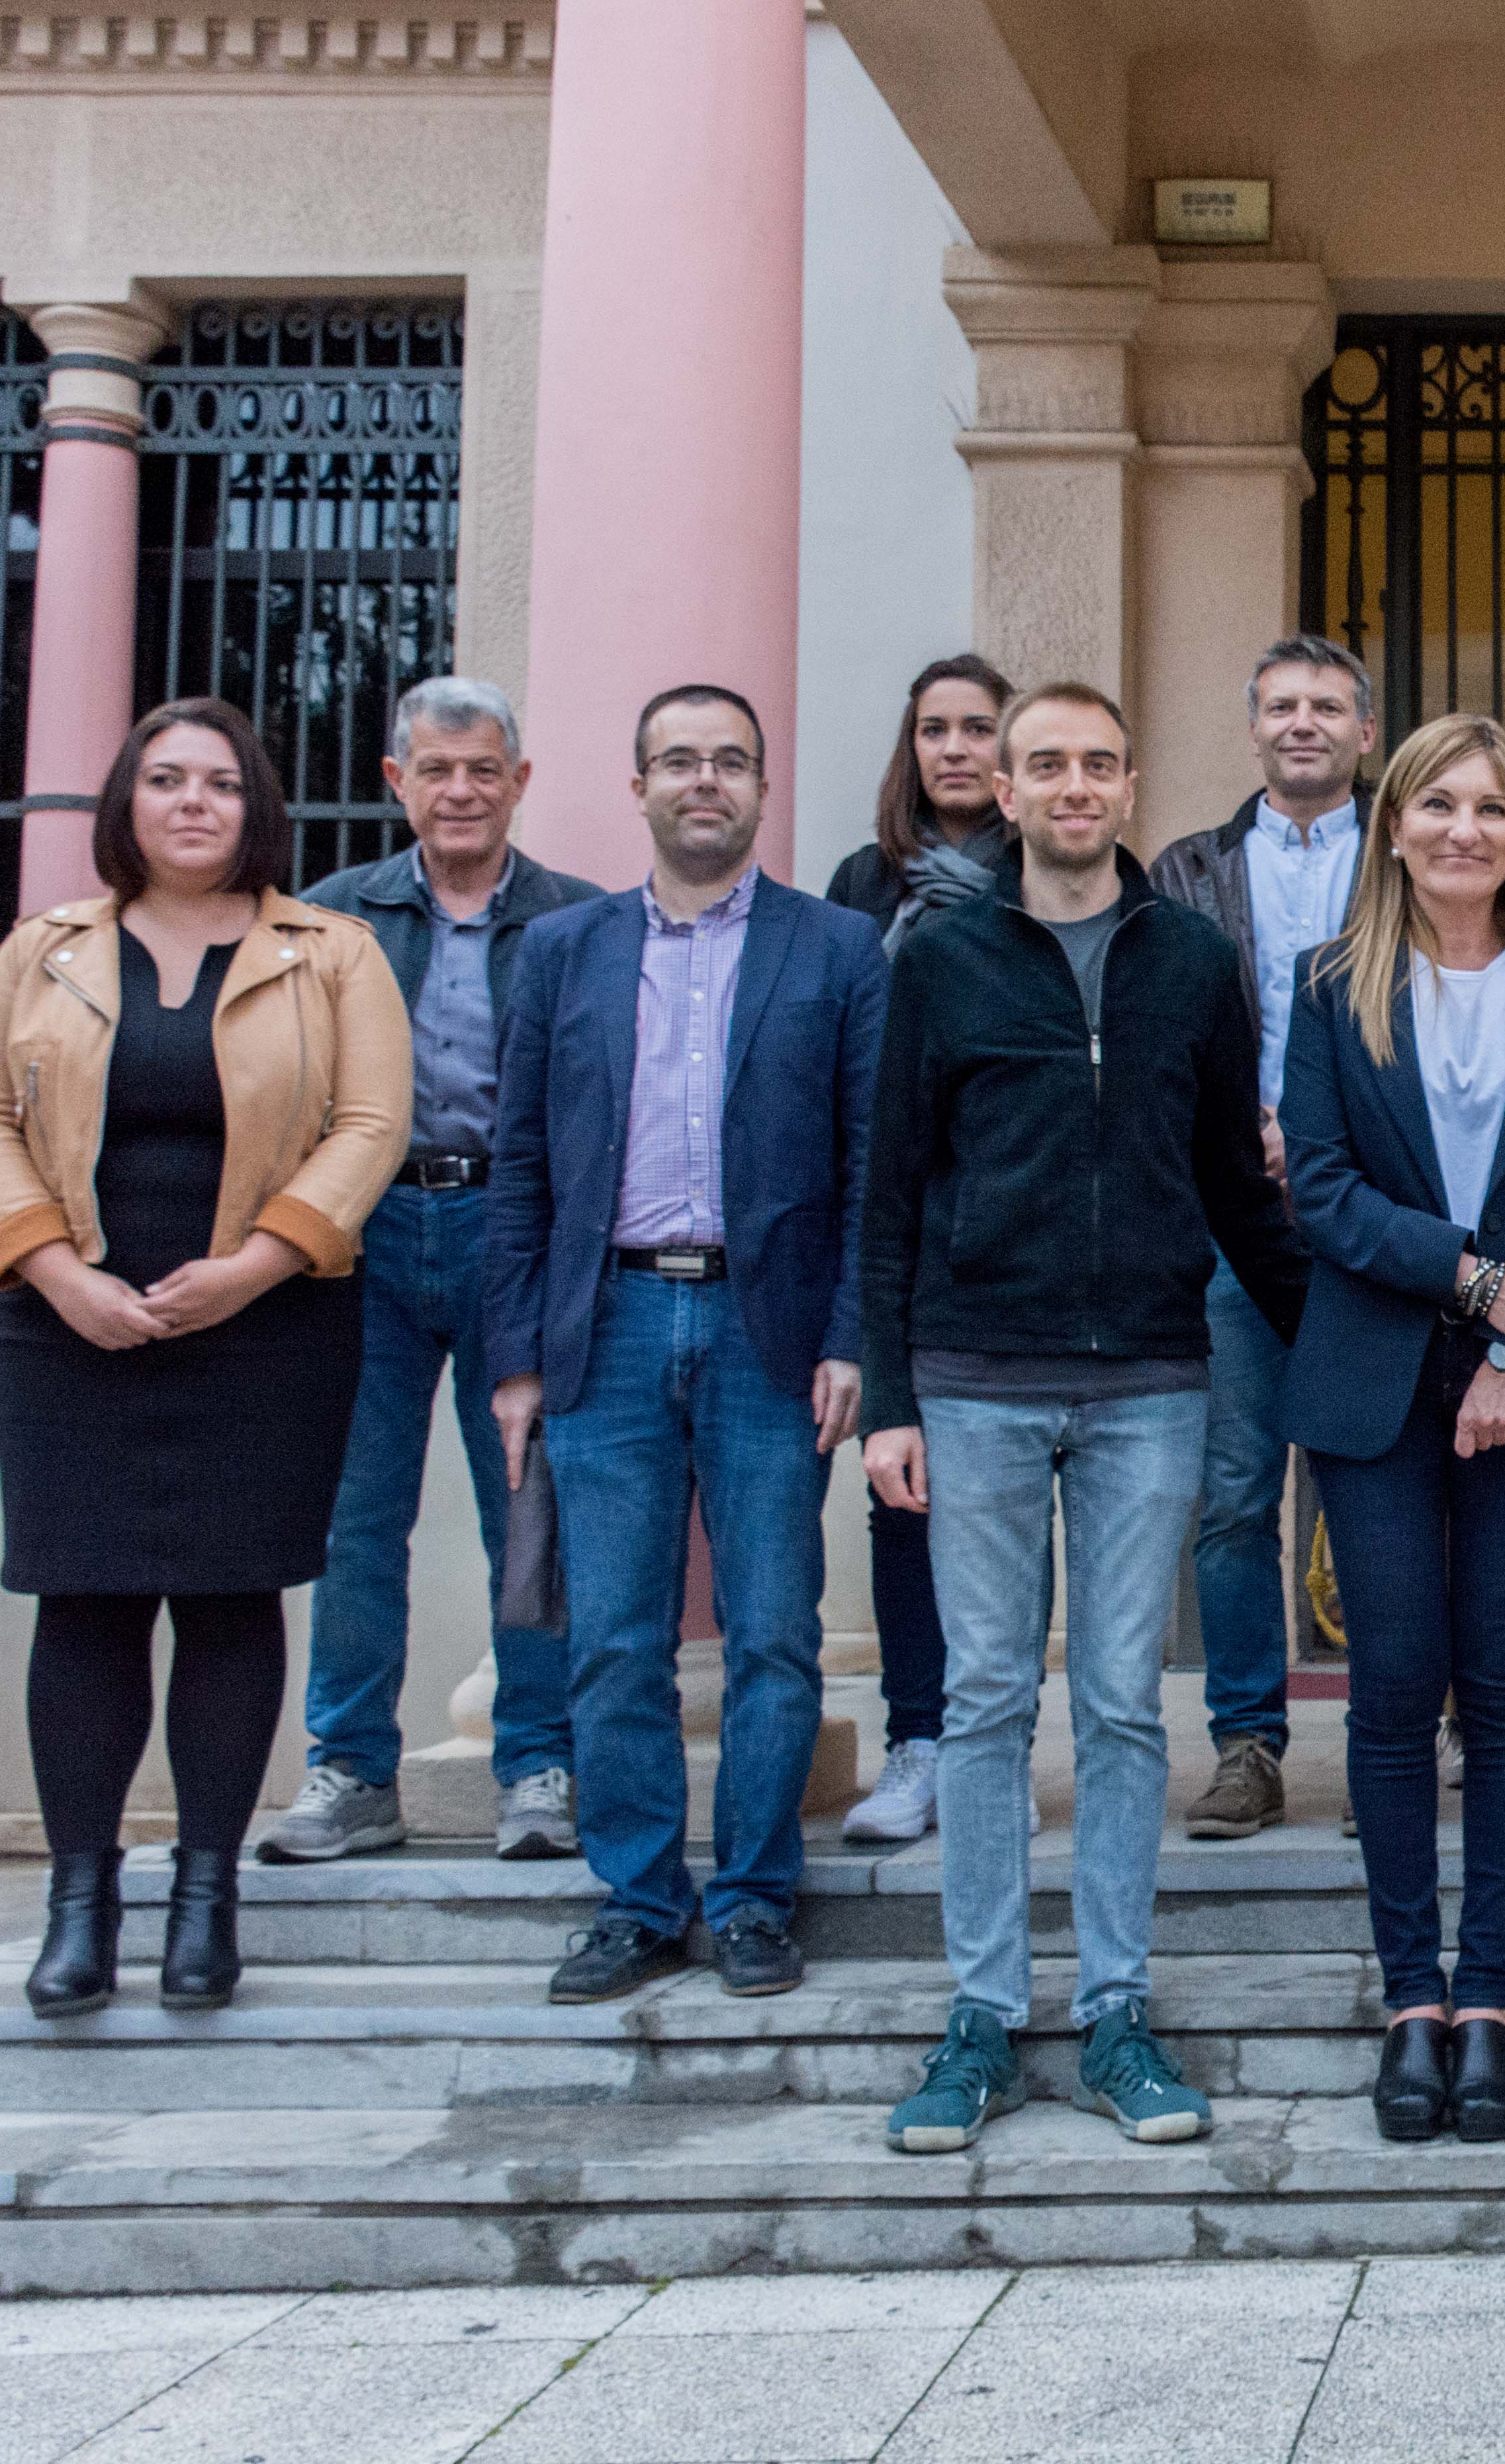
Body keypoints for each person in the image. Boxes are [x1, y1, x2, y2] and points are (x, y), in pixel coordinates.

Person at [859, 684, 1310, 2153]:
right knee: (986, 1700)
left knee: (1123, 1705)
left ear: (1130, 784)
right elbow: (889, 1192)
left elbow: (1238, 1190)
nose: (1070, 784)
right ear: (1003, 781)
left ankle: (1116, 2006)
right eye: (1042, 760)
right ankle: (981, 2013)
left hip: (1149, 1384)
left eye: (1097, 762)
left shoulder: (1193, 959)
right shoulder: (938, 955)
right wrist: (889, 1395)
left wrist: (1336, 1348)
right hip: (978, 1376)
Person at [0, 698, 408, 2018]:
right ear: (126, 802)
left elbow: (372, 1124)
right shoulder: (45, 950)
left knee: (228, 1595)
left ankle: (208, 1899)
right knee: (80, 1597)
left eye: (218, 781)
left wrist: (258, 1262)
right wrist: (53, 1269)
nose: (193, 801)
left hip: (264, 1324)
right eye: (165, 779)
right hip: (66, 1322)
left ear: (254, 803)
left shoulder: (334, 952)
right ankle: (80, 1902)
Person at [486, 686, 886, 2007]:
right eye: (678, 759)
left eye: (729, 760)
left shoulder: (836, 949)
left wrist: (849, 1336)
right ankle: (641, 1899)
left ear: (763, 788)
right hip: (602, 1324)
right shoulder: (562, 950)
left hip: (766, 1330)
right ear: (638, 783)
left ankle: (758, 1895)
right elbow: (523, 1163)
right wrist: (519, 1358)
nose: (703, 780)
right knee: (613, 1635)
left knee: (776, 1630)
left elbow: (872, 1164)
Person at [1281, 714, 1505, 2144]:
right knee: (1391, 1690)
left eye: (1493, 808)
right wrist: (1474, 1279)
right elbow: (1318, 1185)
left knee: (1504, 1692)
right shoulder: (1329, 989)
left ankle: (1486, 1998)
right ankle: (1407, 1997)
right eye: (1439, 804)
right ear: (1396, 823)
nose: (1466, 830)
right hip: (1372, 1381)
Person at [265, 679, 602, 1868]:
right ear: (397, 781)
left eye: (482, 770)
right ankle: (351, 1772)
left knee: (530, 1518)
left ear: (519, 781)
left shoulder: (578, 921)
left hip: (517, 1241)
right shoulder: (328, 920)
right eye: (436, 770)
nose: (460, 791)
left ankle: (540, 1766)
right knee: (361, 1520)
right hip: (364, 1236)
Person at [1151, 633, 1381, 1842]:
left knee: (1384, 1489)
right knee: (1235, 1498)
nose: (1304, 723)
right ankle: (1247, 1745)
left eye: (1327, 706)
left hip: (1378, 1224)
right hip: (1237, 1233)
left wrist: (1331, 1138)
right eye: (1283, 705)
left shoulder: (1412, 853)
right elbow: (1153, 1041)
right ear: (1254, 729)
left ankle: (1387, 1745)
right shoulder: (1184, 869)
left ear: (1364, 732)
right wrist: (1239, 1137)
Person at [818, 655, 1011, 1847]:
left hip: (1011, 1218)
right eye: (934, 729)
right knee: (907, 1496)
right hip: (900, 1214)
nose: (955, 749)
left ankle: (997, 1749)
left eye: (978, 728)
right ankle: (918, 1740)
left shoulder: (1048, 869)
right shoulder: (862, 881)